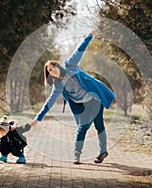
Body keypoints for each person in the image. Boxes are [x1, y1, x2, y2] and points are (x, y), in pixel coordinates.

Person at [31, 29, 115, 164]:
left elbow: (79, 50)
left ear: (58, 65)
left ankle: (102, 151)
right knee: (83, 127)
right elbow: (50, 102)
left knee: (98, 125)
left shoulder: (70, 64)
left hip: (94, 98)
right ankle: (78, 154)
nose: (54, 70)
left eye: (54, 67)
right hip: (82, 105)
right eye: (50, 71)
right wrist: (38, 118)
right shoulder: (58, 85)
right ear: (50, 74)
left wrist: (90, 36)